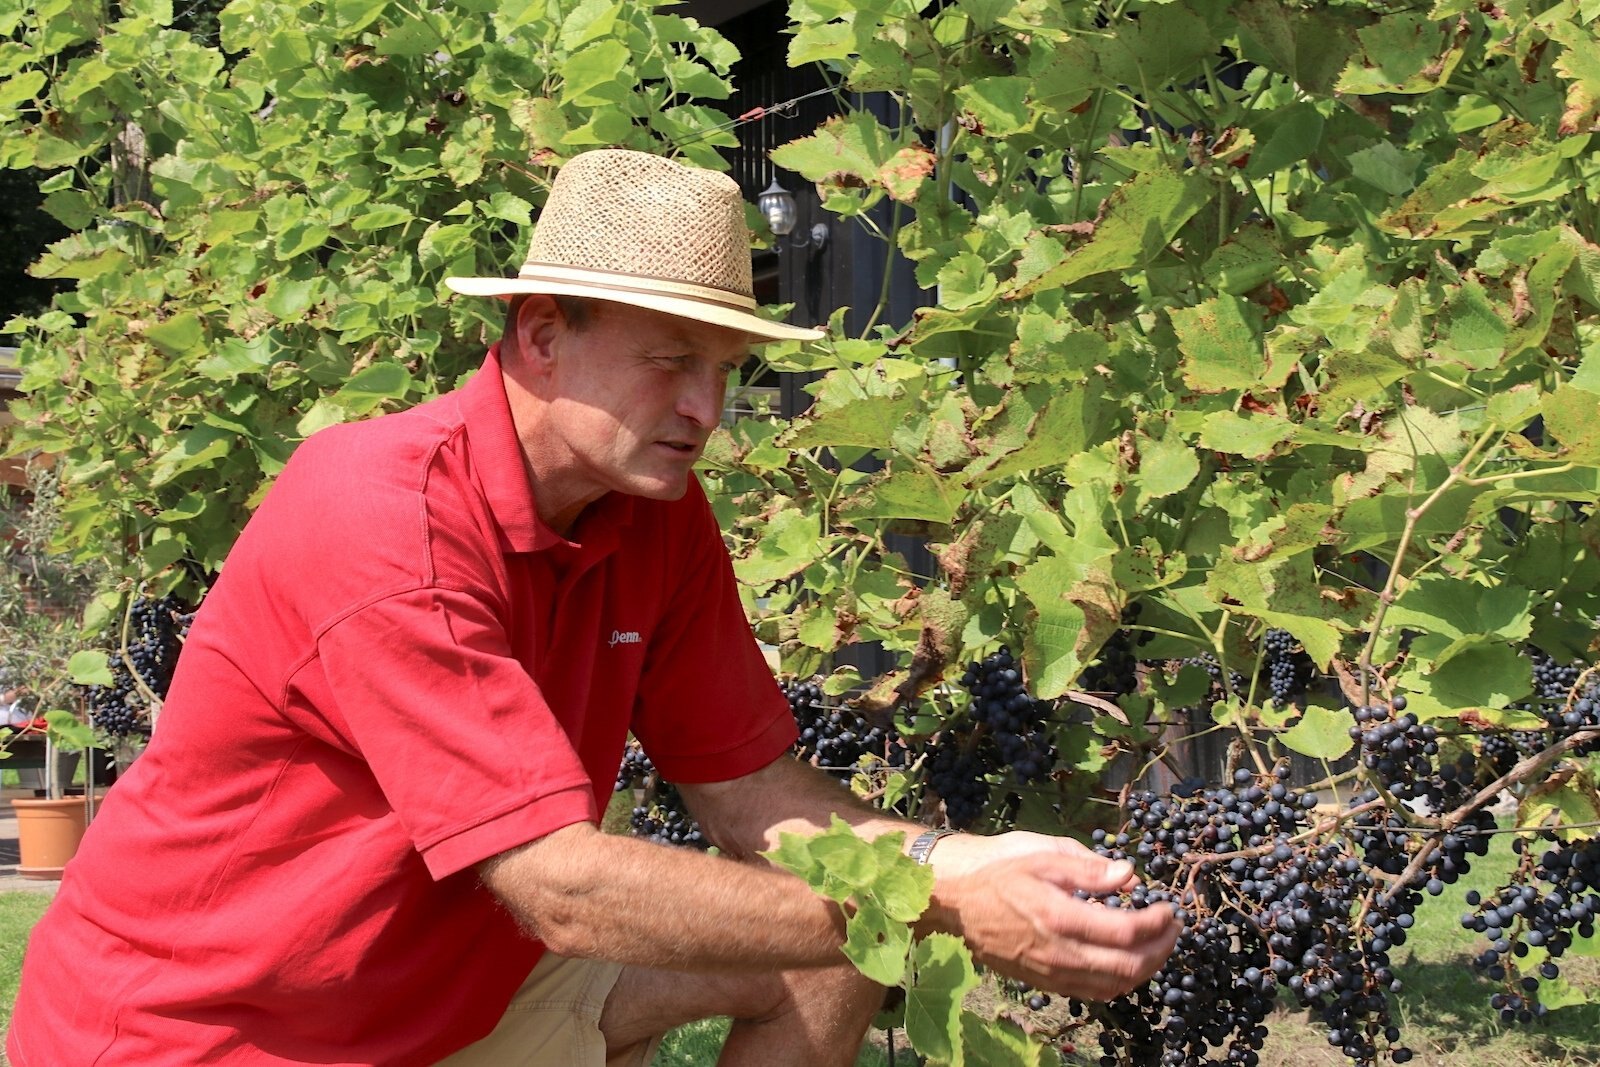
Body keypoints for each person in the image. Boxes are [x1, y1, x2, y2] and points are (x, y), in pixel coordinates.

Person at [7, 149, 1179, 1066]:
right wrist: (949, 908)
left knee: (828, 956)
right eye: (671, 360)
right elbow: (558, 883)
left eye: (725, 368)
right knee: (853, 926)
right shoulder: (378, 516)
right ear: (541, 337)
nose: (705, 407)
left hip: (450, 991)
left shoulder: (652, 512)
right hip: (213, 1027)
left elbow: (760, 798)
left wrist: (965, 856)